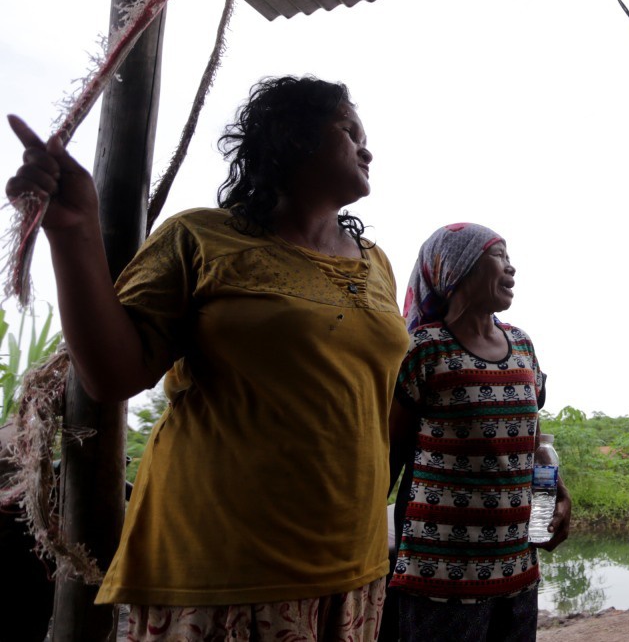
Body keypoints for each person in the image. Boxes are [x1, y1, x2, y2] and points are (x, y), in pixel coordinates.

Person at [6, 76, 409, 639]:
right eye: (348, 131)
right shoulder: (198, 238)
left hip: (353, 567)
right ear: (292, 137)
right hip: (223, 569)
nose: (367, 150)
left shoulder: (376, 264)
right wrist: (74, 232)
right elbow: (112, 375)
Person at [389, 222, 571, 642]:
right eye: (498, 255)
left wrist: (559, 490)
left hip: (516, 566)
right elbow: (390, 457)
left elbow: (534, 440)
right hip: (440, 574)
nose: (511, 267)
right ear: (458, 267)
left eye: (509, 257)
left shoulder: (522, 345)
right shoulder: (424, 349)